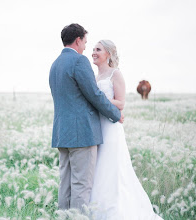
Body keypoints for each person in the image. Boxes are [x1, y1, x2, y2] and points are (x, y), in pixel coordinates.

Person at [49, 24, 123, 212]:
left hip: (61, 133)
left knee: (65, 184)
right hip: (81, 134)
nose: (85, 48)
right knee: (81, 185)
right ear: (78, 40)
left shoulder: (55, 64)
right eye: (85, 42)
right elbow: (94, 95)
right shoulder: (79, 61)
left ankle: (63, 216)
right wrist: (116, 114)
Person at [89, 40, 163, 220]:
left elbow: (121, 103)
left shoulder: (116, 74)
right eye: (93, 49)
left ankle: (116, 212)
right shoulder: (95, 77)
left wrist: (97, 100)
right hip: (96, 128)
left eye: (98, 49)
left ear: (108, 54)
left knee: (112, 169)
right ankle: (96, 210)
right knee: (98, 170)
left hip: (111, 129)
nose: (93, 52)